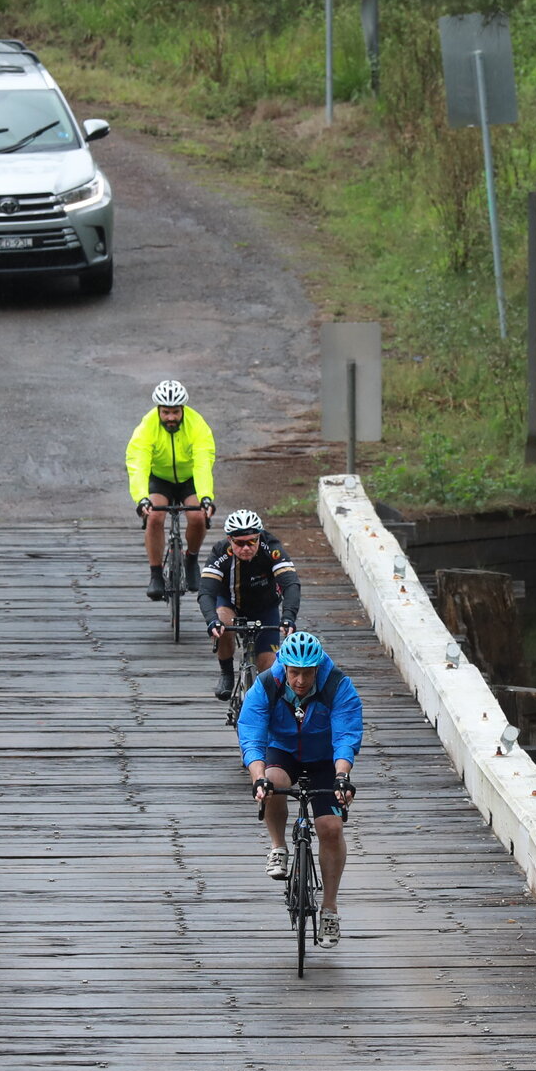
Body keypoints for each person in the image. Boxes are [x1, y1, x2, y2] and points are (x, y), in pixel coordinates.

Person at [236, 630, 360, 944]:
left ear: (318, 668)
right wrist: (258, 778)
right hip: (283, 751)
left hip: (324, 758)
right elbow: (252, 734)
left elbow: (346, 735)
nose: (301, 681)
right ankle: (279, 846)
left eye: (307, 673)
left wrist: (342, 776)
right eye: (294, 673)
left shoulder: (337, 686)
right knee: (274, 784)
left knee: (330, 828)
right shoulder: (267, 684)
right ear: (284, 667)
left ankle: (329, 910)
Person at [124, 379, 216, 599]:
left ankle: (191, 559)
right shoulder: (147, 426)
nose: (171, 417)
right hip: (160, 478)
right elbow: (138, 462)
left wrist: (205, 497)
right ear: (158, 410)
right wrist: (142, 499)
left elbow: (203, 463)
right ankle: (156, 574)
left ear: (183, 409)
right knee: (155, 516)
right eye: (166, 412)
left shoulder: (197, 425)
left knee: (197, 517)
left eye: (175, 412)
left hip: (189, 477)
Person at [198, 509, 301, 700]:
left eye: (252, 541)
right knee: (222, 623)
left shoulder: (271, 547)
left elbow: (291, 584)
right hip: (230, 604)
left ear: (259, 537)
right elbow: (206, 592)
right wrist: (212, 620)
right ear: (230, 540)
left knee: (269, 667)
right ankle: (226, 673)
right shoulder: (220, 552)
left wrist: (289, 617)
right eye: (239, 543)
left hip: (265, 607)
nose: (246, 547)